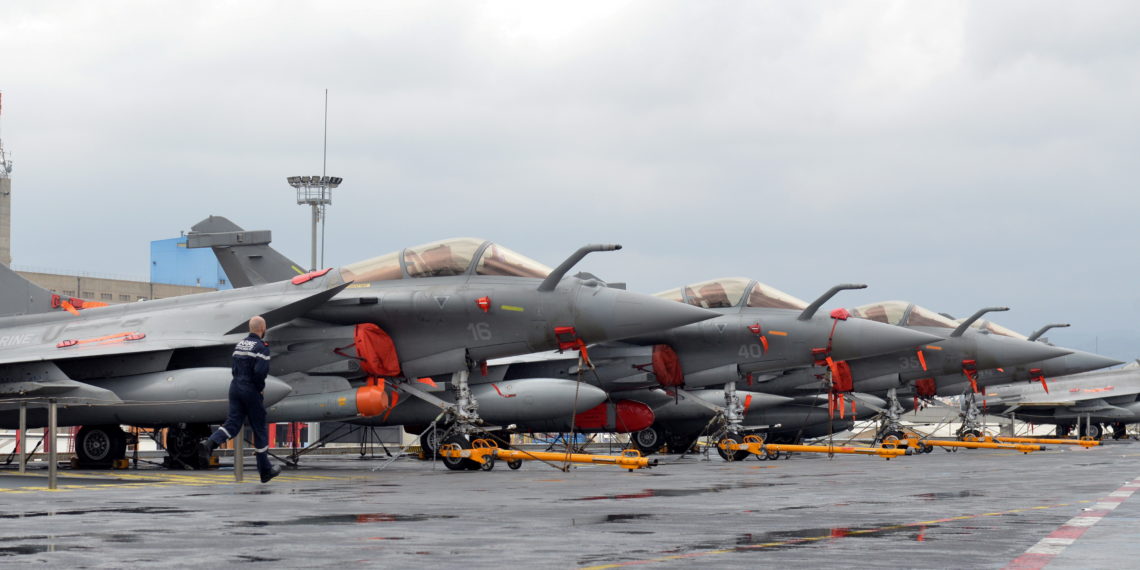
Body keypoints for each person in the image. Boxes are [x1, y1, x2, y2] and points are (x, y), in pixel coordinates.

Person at [199, 315, 281, 483]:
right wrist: (258, 390)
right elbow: (260, 372)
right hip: (250, 389)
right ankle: (265, 470)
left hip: (235, 387)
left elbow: (235, 368)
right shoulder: (261, 347)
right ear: (262, 329)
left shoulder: (240, 344)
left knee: (233, 423)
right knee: (259, 429)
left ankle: (210, 443)